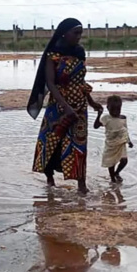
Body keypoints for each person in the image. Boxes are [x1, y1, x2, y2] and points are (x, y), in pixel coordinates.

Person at [28, 18, 103, 194]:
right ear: (64, 33)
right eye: (75, 33)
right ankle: (50, 179)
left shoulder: (80, 52)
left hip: (79, 106)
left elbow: (81, 81)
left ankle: (82, 185)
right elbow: (51, 83)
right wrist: (65, 106)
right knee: (52, 141)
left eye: (80, 33)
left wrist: (92, 102)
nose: (79, 37)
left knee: (78, 143)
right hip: (58, 106)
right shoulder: (53, 55)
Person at [94, 95, 134, 183]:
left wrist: (129, 141)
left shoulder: (123, 118)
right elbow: (96, 126)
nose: (115, 112)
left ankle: (116, 173)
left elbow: (125, 130)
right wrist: (99, 114)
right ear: (108, 108)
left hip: (121, 143)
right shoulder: (106, 118)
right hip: (111, 144)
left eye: (118, 110)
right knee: (111, 162)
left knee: (124, 161)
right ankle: (112, 179)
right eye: (113, 110)